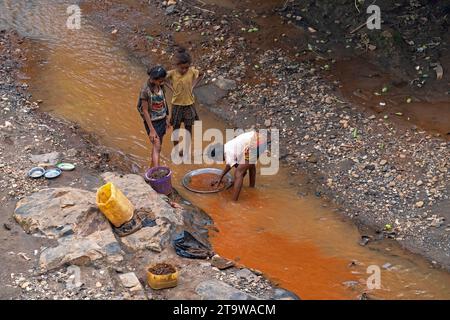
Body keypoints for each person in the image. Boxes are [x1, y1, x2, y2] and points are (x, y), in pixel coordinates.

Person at [165, 47, 204, 155]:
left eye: (186, 68)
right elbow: (162, 79)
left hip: (189, 104)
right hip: (177, 105)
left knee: (188, 128)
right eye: (182, 68)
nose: (184, 70)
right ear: (176, 65)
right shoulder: (172, 73)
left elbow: (201, 74)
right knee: (176, 128)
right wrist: (171, 87)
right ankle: (177, 149)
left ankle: (186, 148)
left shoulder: (192, 71)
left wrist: (193, 85)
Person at [211, 131, 267, 201]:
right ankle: (252, 188)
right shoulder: (227, 146)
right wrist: (221, 176)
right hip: (260, 138)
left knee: (238, 173)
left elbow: (238, 169)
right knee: (250, 165)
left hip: (255, 143)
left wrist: (235, 181)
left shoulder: (228, 153)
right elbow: (230, 164)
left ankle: (233, 202)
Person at [137, 65, 170, 168]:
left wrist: (167, 117)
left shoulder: (161, 86)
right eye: (160, 81)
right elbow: (145, 111)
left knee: (158, 147)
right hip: (152, 122)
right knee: (157, 146)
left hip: (162, 119)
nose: (163, 83)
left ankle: (150, 172)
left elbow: (164, 101)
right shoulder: (145, 91)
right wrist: (151, 129)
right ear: (153, 79)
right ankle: (156, 174)